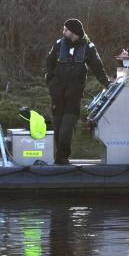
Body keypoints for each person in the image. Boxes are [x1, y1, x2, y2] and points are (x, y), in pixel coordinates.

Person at [44, 18, 110, 164]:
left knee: (67, 127)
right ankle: (59, 157)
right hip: (57, 92)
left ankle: (63, 156)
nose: (63, 32)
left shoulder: (88, 47)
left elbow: (98, 69)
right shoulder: (58, 44)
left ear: (73, 32)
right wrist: (50, 81)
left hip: (74, 94)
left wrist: (107, 84)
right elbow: (49, 63)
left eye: (65, 30)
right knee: (58, 125)